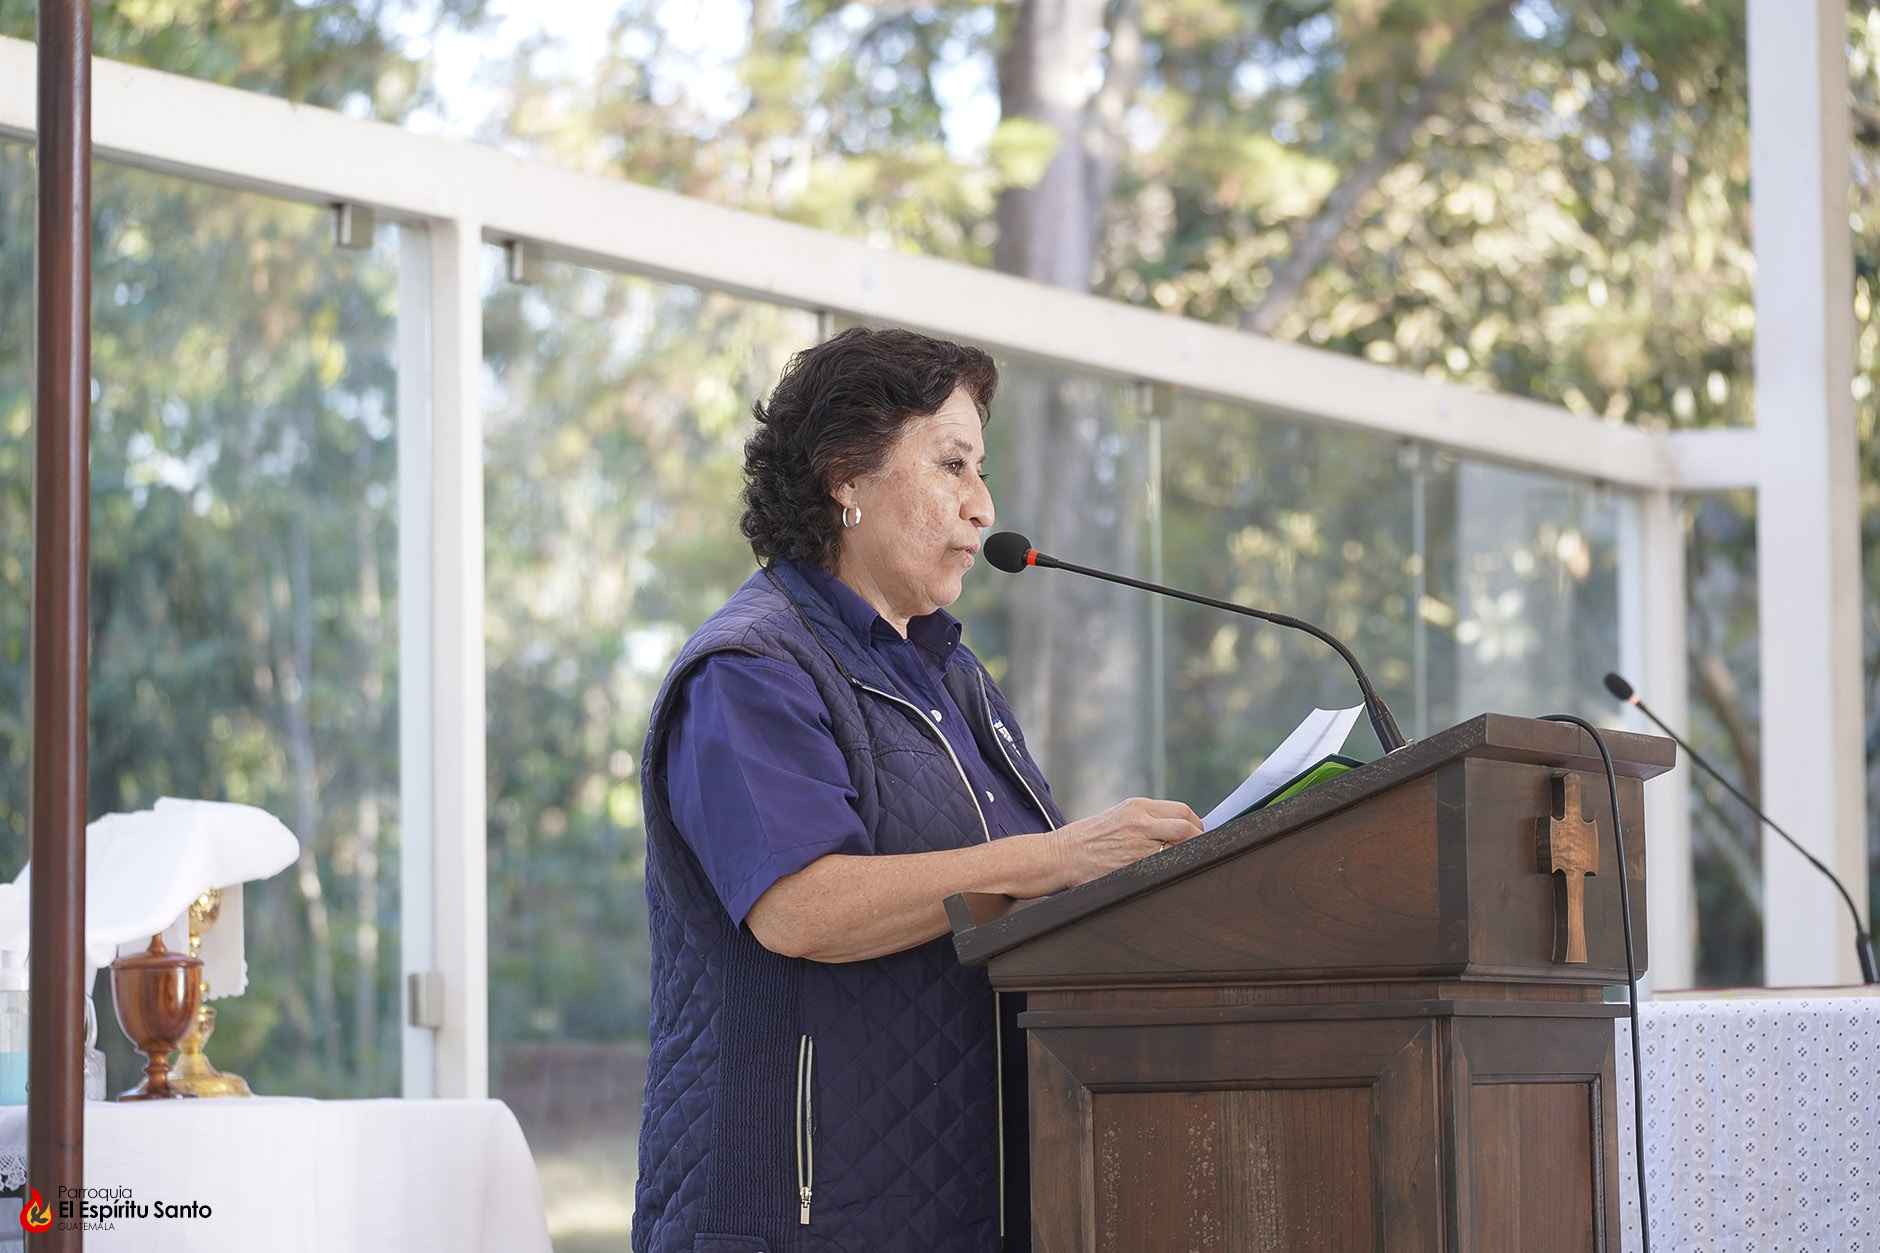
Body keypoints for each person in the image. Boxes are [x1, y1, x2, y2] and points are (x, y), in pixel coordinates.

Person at [633, 325, 1202, 1253]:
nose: (983, 506)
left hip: (961, 1206)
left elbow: (1024, 905)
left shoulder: (951, 675)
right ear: (845, 476)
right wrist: (1054, 856)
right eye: (952, 464)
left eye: (982, 471)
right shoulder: (749, 670)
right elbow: (802, 908)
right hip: (801, 1220)